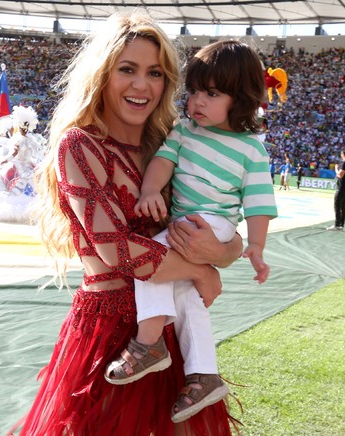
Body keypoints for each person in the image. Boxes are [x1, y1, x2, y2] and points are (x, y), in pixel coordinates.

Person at [13, 10, 244, 435]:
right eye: (127, 70)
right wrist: (200, 269)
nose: (142, 85)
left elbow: (220, 218)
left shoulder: (172, 143)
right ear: (102, 74)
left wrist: (229, 251)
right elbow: (117, 251)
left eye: (155, 73)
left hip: (164, 332)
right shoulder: (79, 145)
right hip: (110, 336)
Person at [104, 40, 277, 423]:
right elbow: (163, 163)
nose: (197, 101)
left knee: (153, 255)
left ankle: (148, 342)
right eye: (195, 91)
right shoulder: (184, 130)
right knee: (187, 295)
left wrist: (257, 246)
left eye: (212, 93)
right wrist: (150, 190)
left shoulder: (251, 150)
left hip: (210, 223)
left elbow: (259, 202)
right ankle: (203, 374)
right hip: (185, 221)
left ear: (242, 98)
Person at [326, 147, 345, 230]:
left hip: (342, 187)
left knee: (337, 205)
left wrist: (336, 169)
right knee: (343, 206)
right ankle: (341, 224)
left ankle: (337, 224)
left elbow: (340, 175)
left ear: (343, 154)